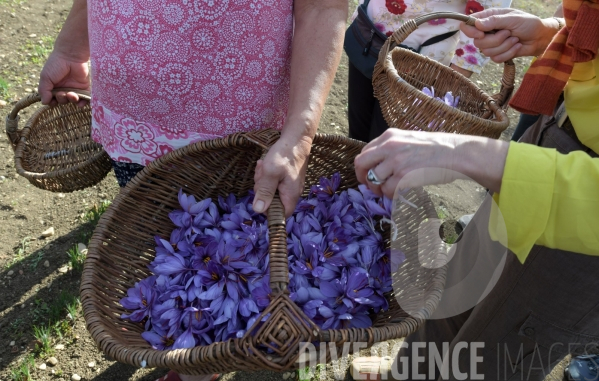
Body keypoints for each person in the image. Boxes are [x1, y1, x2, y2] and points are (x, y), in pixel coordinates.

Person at [38, 1, 347, 380]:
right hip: (130, 122)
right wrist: (71, 48)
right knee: (163, 245)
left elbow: (323, 7)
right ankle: (188, 332)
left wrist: (299, 137)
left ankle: (203, 352)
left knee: (227, 259)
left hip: (231, 137)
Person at [353, 4, 599, 380]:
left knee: (488, 360)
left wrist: (463, 152)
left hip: (583, 228)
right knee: (452, 297)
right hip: (551, 141)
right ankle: (408, 374)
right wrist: (550, 35)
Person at [346, 0, 511, 143]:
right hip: (368, 33)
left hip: (420, 61)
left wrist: (454, 77)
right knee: (357, 130)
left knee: (385, 142)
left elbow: (487, 11)